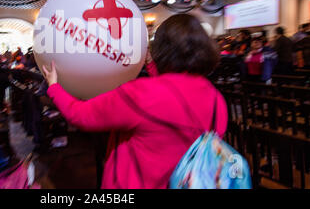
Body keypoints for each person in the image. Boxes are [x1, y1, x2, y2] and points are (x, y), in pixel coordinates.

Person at [42, 14, 227, 189]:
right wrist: (151, 66)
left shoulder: (141, 94)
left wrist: (54, 87)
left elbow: (80, 115)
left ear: (161, 48)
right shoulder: (217, 100)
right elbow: (174, 99)